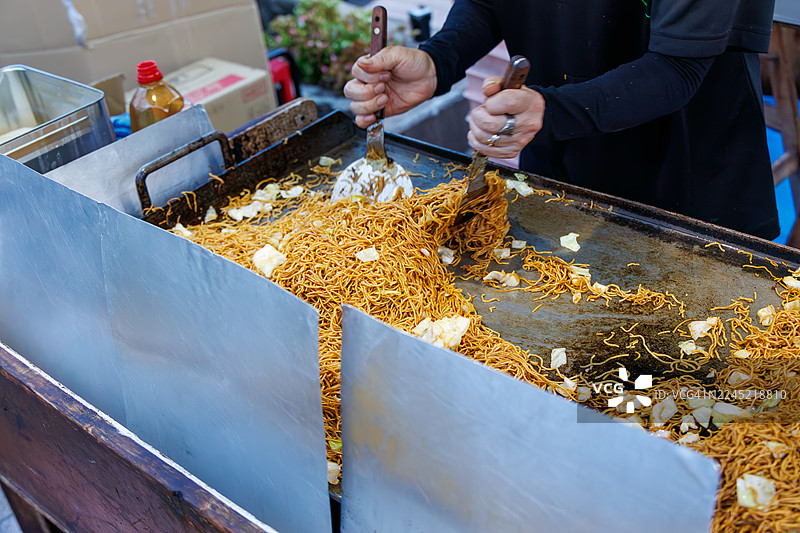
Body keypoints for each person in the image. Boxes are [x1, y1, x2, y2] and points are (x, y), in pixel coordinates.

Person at [344, 0, 780, 240]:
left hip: (685, 178)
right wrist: (440, 60)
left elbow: (678, 67)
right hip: (563, 166)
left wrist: (550, 111)